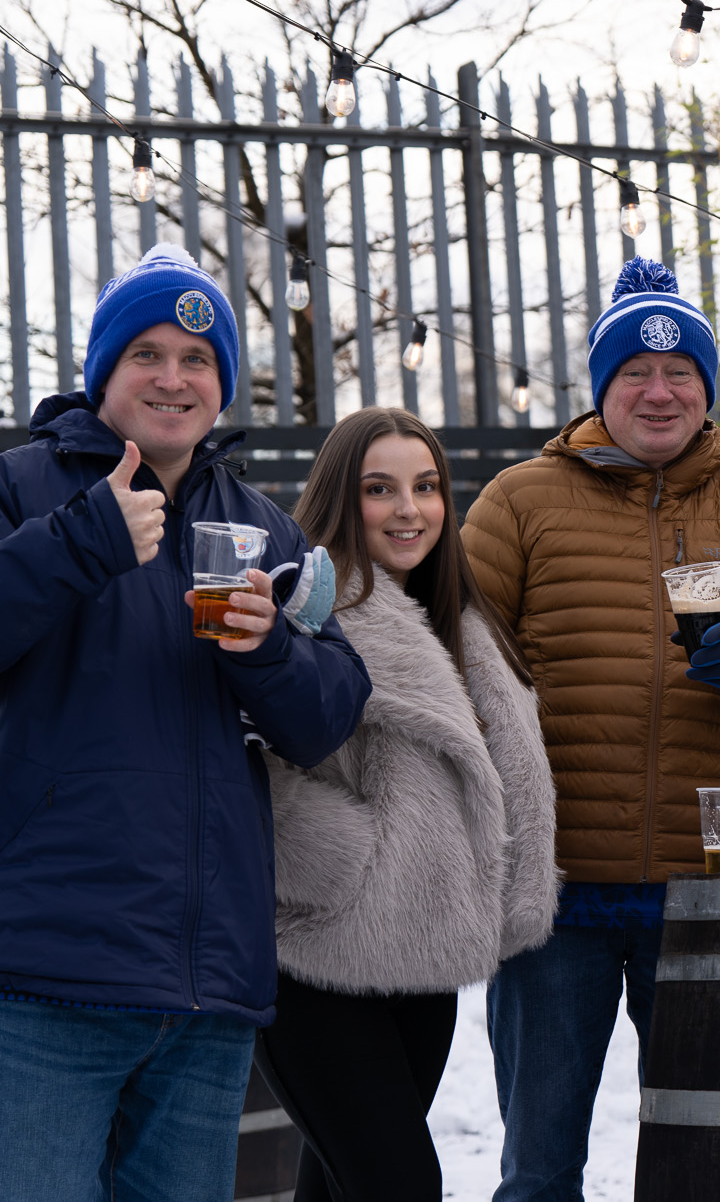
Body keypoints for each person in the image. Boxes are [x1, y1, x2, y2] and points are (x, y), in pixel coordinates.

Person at [463, 258, 720, 1202]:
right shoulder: (519, 500)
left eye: (681, 373)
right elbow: (459, 662)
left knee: (713, 1159)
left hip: (708, 894)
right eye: (635, 370)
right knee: (540, 1163)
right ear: (603, 388)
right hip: (555, 889)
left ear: (708, 391)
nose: (659, 390)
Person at [0, 243, 370, 1201]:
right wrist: (81, 542)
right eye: (147, 355)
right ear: (104, 373)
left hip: (207, 988)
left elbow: (328, 717)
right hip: (44, 978)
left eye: (198, 359)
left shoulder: (264, 529)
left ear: (224, 384)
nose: (174, 376)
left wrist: (270, 652)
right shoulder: (23, 489)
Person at [255, 407, 559, 1202]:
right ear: (339, 499)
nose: (409, 509)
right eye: (379, 488)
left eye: (426, 487)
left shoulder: (464, 620)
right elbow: (251, 764)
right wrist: (348, 859)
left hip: (422, 957)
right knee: (400, 1185)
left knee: (339, 1185)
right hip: (316, 956)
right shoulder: (301, 609)